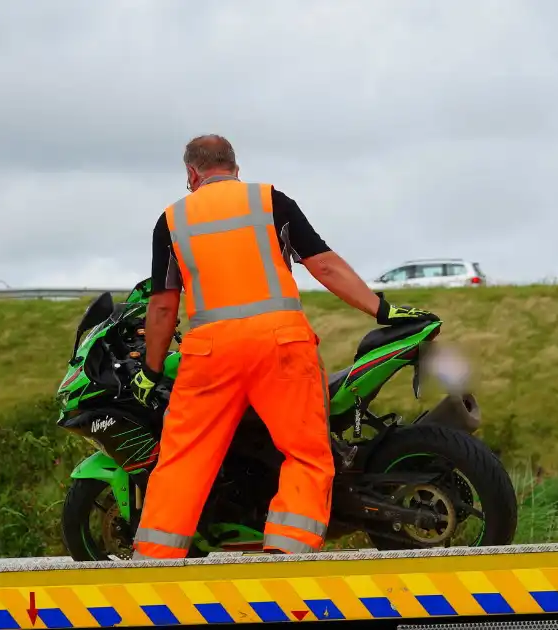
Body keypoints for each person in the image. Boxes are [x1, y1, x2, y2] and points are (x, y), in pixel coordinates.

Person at [128, 134, 438, 560]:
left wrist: (150, 368)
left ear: (191, 174)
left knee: (185, 457)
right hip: (280, 345)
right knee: (306, 451)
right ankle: (286, 553)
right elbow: (323, 264)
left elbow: (163, 306)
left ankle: (155, 559)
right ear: (235, 168)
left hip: (209, 353)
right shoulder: (269, 201)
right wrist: (381, 309)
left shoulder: (172, 220)